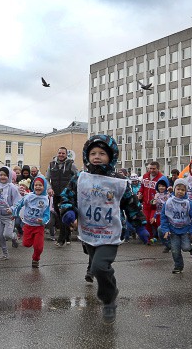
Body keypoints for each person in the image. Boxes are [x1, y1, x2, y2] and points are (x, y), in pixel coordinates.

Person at [60, 135, 141, 325]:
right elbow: (67, 196)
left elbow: (131, 204)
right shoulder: (80, 177)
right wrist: (69, 211)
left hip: (111, 232)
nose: (97, 157)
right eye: (93, 153)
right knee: (97, 265)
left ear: (111, 156)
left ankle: (108, 299)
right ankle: (110, 291)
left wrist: (140, 225)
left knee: (99, 267)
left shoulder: (119, 181)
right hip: (89, 231)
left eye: (102, 153)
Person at [159, 178, 192, 274]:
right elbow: (164, 217)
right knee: (175, 250)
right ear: (174, 189)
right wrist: (165, 230)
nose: (180, 192)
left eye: (183, 190)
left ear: (186, 191)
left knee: (185, 247)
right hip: (173, 230)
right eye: (178, 189)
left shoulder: (188, 203)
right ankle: (178, 266)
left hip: (185, 230)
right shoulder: (168, 202)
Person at [13, 175, 50, 268]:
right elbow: (19, 204)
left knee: (38, 247)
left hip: (39, 226)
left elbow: (47, 215)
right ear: (33, 186)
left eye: (40, 185)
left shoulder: (45, 200)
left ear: (44, 187)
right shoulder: (29, 197)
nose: (38, 187)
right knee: (26, 244)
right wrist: (15, 213)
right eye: (36, 185)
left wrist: (43, 220)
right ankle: (33, 239)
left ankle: (36, 258)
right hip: (28, 225)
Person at [46, 147, 78, 247]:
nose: (61, 155)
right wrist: (49, 188)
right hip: (55, 194)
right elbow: (47, 178)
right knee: (59, 217)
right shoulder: (51, 165)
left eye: (63, 153)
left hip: (66, 196)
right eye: (59, 153)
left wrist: (72, 190)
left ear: (66, 154)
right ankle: (67, 236)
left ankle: (61, 240)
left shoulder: (71, 164)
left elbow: (78, 177)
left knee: (64, 215)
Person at [0, 166, 21, 260]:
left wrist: (13, 209)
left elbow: (18, 201)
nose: (2, 177)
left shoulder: (12, 188)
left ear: (9, 176)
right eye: (1, 175)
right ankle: (5, 253)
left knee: (7, 235)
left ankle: (14, 237)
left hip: (9, 216)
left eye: (5, 175)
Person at [137, 161, 166, 245]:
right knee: (145, 221)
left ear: (158, 168)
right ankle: (149, 239)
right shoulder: (145, 176)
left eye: (153, 169)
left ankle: (161, 236)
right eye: (150, 168)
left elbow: (164, 190)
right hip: (146, 203)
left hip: (156, 205)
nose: (151, 170)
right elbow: (142, 187)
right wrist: (140, 193)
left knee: (154, 221)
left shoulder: (161, 178)